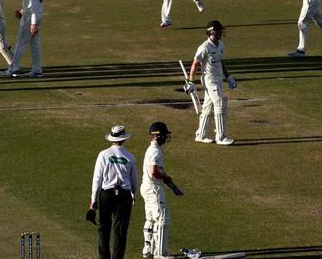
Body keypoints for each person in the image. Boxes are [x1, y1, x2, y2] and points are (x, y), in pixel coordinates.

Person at [88, 125, 138, 259]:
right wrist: (134, 195)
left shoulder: (103, 154)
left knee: (103, 228)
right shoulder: (130, 157)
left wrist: (93, 200)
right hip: (124, 195)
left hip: (106, 194)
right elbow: (134, 181)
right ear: (124, 139)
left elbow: (97, 179)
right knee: (120, 231)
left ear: (112, 139)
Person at [187, 20, 236, 145]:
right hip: (209, 79)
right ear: (212, 32)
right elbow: (195, 64)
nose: (221, 33)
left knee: (208, 107)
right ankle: (221, 137)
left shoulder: (221, 45)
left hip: (218, 79)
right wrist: (191, 81)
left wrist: (228, 76)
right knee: (220, 100)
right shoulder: (204, 47)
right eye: (219, 31)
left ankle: (201, 134)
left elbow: (221, 62)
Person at [140, 122, 184, 259]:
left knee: (151, 219)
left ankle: (148, 249)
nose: (166, 138)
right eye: (164, 135)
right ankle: (161, 253)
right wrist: (166, 176)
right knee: (162, 217)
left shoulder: (153, 149)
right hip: (153, 188)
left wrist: (174, 187)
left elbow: (159, 173)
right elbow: (154, 171)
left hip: (147, 187)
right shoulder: (155, 151)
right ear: (158, 136)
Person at [1, 0, 43, 78]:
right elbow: (31, 4)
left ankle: (13, 68)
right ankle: (37, 69)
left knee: (20, 43)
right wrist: (22, 11)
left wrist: (33, 23)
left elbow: (34, 5)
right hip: (34, 15)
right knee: (35, 44)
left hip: (31, 17)